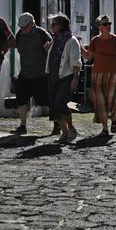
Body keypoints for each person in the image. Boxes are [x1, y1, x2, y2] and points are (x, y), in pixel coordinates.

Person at [5, 12, 53, 136]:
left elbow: (53, 48)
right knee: (21, 98)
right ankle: (22, 126)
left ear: (32, 24)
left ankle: (57, 124)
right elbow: (15, 45)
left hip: (41, 74)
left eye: (24, 26)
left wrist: (48, 50)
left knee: (46, 101)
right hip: (25, 73)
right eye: (21, 27)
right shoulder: (20, 35)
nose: (22, 29)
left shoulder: (42, 34)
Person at [83, 15, 116, 137]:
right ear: (99, 27)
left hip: (114, 73)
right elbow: (88, 57)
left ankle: (113, 119)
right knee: (100, 101)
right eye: (105, 24)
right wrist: (78, 44)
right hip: (97, 73)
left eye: (109, 24)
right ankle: (105, 128)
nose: (108, 26)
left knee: (111, 100)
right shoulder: (95, 41)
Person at [45, 14, 82, 143]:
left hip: (66, 77)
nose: (52, 27)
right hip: (53, 76)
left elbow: (76, 62)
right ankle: (64, 132)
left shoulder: (71, 41)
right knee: (54, 107)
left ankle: (71, 128)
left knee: (60, 103)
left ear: (61, 26)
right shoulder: (55, 40)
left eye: (54, 24)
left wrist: (75, 78)